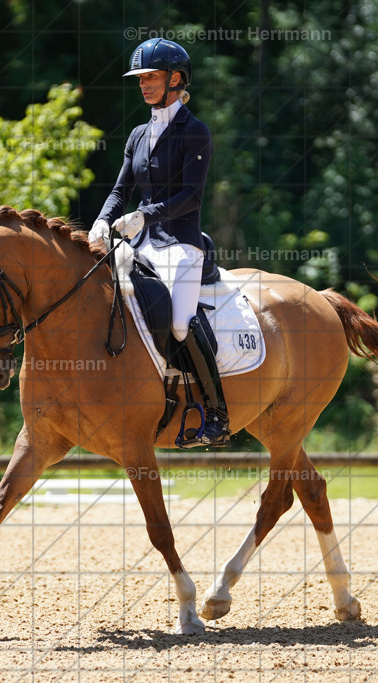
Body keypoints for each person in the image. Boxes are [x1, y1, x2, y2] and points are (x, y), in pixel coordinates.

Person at [88, 38, 229, 448]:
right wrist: (103, 219)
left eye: (151, 77)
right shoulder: (137, 135)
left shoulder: (195, 132)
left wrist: (144, 215)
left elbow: (191, 197)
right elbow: (120, 190)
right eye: (141, 79)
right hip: (140, 243)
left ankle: (217, 414)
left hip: (181, 244)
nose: (144, 85)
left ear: (176, 80)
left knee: (180, 323)